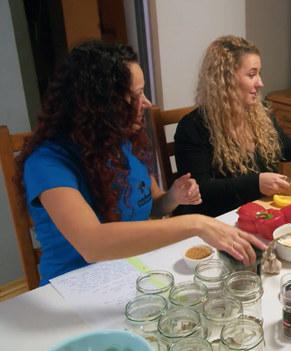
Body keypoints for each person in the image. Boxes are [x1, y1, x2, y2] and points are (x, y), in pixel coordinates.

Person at [17, 41, 266, 286]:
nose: (146, 103)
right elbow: (92, 244)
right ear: (101, 105)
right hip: (72, 287)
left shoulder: (122, 142)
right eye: (136, 95)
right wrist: (197, 223)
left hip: (130, 272)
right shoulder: (46, 162)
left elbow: (153, 206)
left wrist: (172, 198)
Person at [174, 35, 291, 217]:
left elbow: (284, 149)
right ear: (225, 80)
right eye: (252, 75)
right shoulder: (192, 127)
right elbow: (201, 189)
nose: (260, 83)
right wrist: (255, 183)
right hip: (218, 222)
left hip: (261, 212)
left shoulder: (258, 112)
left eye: (259, 73)